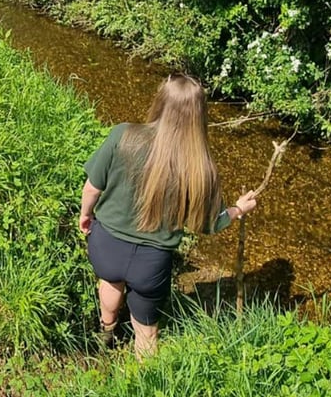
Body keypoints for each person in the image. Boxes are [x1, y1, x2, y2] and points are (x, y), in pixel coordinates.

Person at [79, 73, 257, 360]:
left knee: (110, 284)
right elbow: (209, 224)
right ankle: (142, 384)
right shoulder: (201, 168)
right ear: (199, 115)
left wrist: (85, 215)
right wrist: (237, 209)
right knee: (147, 332)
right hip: (151, 263)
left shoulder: (122, 134)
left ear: (160, 101)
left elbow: (92, 188)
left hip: (106, 246)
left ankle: (106, 334)